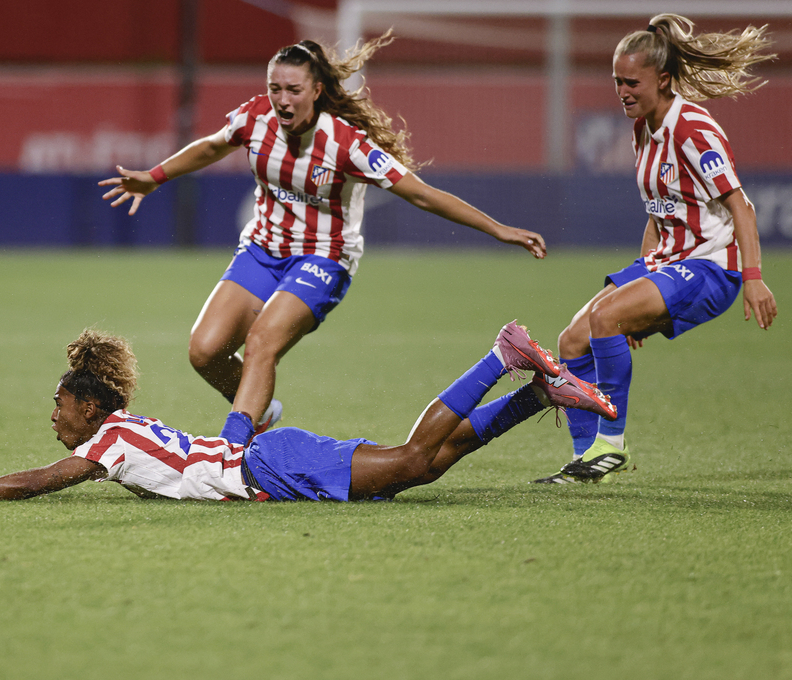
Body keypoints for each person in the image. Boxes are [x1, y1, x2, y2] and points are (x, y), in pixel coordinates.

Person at [98, 32, 548, 447]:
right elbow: (213, 145)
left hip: (323, 258)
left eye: (293, 90)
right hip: (262, 248)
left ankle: (231, 450)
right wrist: (155, 177)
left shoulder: (346, 144)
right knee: (204, 351)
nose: (282, 100)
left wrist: (498, 229)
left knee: (261, 344)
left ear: (316, 91)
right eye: (276, 88)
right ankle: (261, 411)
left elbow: (422, 195)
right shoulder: (256, 118)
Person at [0, 323, 616, 503]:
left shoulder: (109, 441)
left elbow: (40, 480)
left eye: (58, 406)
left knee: (410, 460)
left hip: (269, 464)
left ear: (89, 407)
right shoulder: (125, 435)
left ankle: (502, 356)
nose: (53, 417)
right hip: (266, 459)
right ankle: (534, 395)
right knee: (419, 471)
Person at [533, 14, 778, 485]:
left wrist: (753, 278)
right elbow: (658, 212)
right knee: (571, 341)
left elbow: (742, 207)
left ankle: (612, 444)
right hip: (669, 261)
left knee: (606, 320)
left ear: (662, 80)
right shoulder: (643, 127)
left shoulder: (692, 130)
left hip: (710, 268)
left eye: (632, 82)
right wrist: (642, 286)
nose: (622, 91)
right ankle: (588, 461)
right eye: (616, 82)